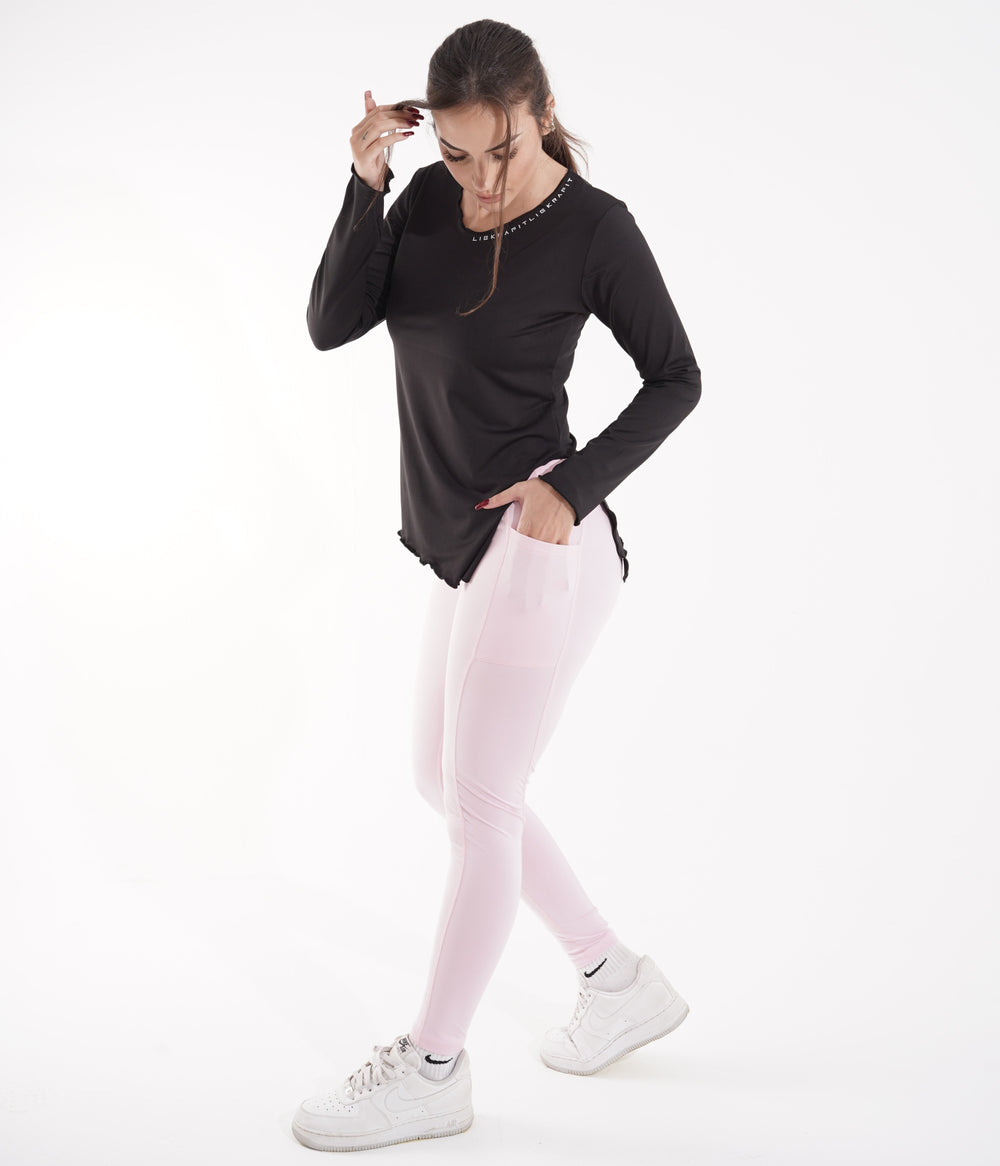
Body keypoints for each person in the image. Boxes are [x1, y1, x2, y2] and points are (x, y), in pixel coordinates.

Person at [291, 18, 702, 1154]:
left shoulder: (594, 229)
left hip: (537, 547)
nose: (479, 177)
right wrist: (367, 184)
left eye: (501, 150)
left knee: (477, 804)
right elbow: (332, 323)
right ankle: (615, 979)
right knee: (450, 782)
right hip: (465, 545)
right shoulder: (424, 199)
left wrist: (570, 485)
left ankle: (432, 1067)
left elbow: (676, 376)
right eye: (457, 152)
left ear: (542, 109)